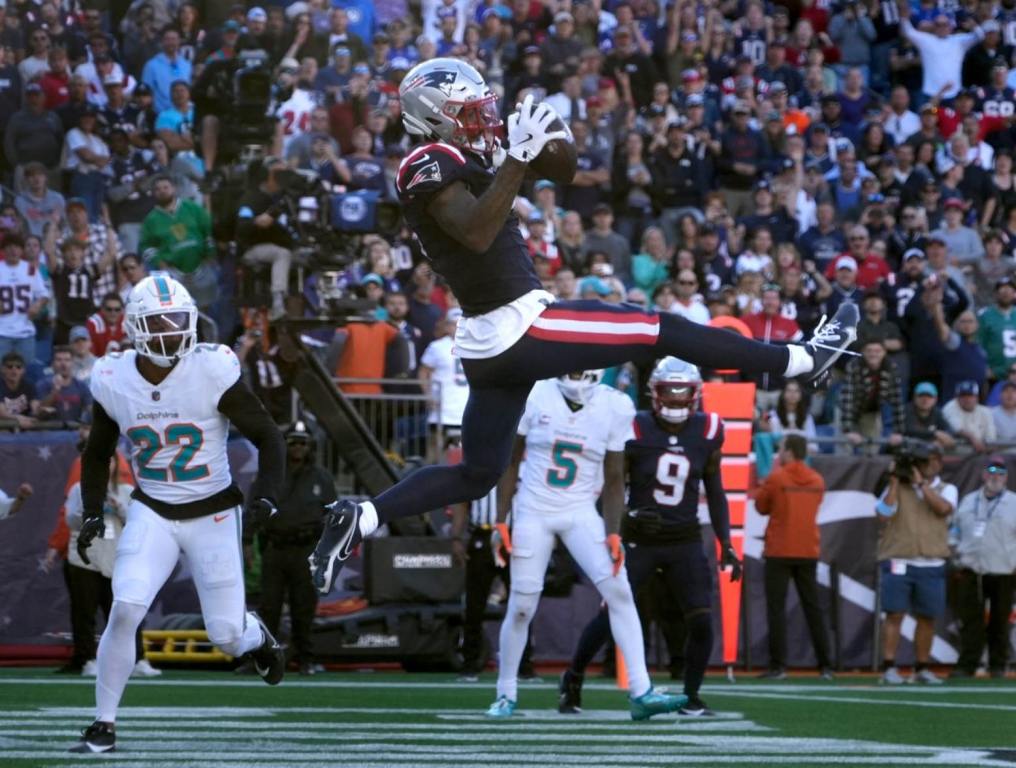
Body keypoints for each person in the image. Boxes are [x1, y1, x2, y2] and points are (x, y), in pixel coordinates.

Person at [309, 58, 859, 593]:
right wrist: (517, 162)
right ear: (433, 117)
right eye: (468, 112)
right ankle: (802, 359)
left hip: (494, 335)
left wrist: (546, 135)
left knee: (477, 473)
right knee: (656, 327)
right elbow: (475, 232)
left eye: (483, 110)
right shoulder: (425, 162)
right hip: (515, 323)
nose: (483, 121)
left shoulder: (477, 154)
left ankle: (360, 518)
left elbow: (565, 169)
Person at [69, 274, 287, 754]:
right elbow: (98, 452)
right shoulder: (113, 376)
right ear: (134, 328)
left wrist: (266, 495)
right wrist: (90, 511)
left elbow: (270, 435)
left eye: (178, 321)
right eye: (159, 323)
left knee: (226, 636)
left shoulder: (212, 368)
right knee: (125, 608)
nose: (171, 331)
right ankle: (103, 725)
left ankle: (257, 636)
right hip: (153, 510)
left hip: (212, 512)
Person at [485, 368, 686, 720]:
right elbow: (511, 460)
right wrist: (501, 519)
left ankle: (641, 691)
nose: (576, 372)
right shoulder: (536, 393)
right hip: (533, 509)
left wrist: (613, 531)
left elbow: (613, 477)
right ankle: (506, 692)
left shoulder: (615, 405)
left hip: (580, 511)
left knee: (620, 591)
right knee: (521, 605)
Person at [561, 358, 742, 717]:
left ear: (696, 394)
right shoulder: (634, 427)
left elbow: (716, 490)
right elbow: (609, 487)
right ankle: (572, 678)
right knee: (611, 615)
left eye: (682, 392)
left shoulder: (708, 430)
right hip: (639, 539)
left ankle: (691, 696)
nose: (675, 399)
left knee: (702, 621)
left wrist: (728, 543)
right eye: (668, 392)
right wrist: (622, 520)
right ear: (653, 393)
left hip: (685, 538)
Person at [247, 421, 335, 676]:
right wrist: (246, 542)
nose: (298, 447)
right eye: (293, 442)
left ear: (310, 446)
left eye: (303, 442)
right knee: (268, 607)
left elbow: (333, 516)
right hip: (275, 546)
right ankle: (261, 659)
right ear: (285, 445)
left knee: (304, 607)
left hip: (307, 548)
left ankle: (306, 659)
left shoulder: (322, 478)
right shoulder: (271, 474)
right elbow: (255, 508)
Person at [875, 441, 957, 685]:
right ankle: (889, 666)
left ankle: (922, 667)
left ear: (939, 463)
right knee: (894, 614)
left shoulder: (947, 488)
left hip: (931, 561)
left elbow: (943, 509)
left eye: (930, 460)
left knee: (927, 617)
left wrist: (921, 484)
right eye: (923, 461)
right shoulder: (899, 486)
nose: (926, 465)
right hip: (899, 558)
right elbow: (883, 514)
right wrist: (893, 482)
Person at [755, 434, 833, 679]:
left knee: (776, 609)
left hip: (779, 550)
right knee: (813, 609)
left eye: (782, 450)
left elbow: (761, 507)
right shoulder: (817, 480)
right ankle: (826, 665)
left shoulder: (777, 477)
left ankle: (778, 665)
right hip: (807, 550)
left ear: (788, 452)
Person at [949, 457, 1016, 679]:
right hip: (971, 569)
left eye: (1000, 473)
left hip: (1004, 570)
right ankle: (967, 664)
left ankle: (998, 664)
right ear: (983, 475)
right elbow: (954, 531)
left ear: (1006, 478)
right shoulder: (968, 501)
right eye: (991, 472)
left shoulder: (1013, 503)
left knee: (1000, 620)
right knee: (970, 620)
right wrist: (955, 552)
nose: (995, 476)